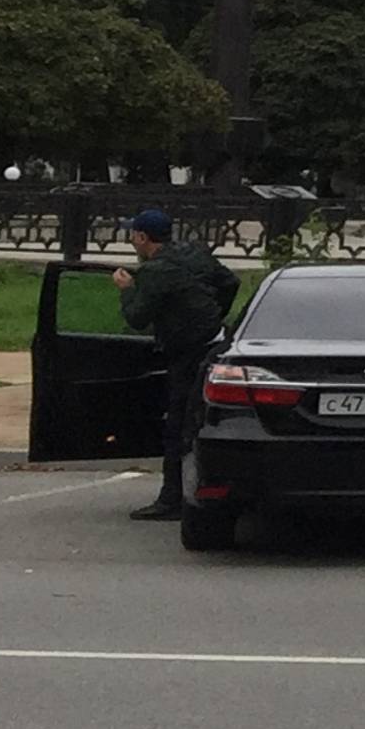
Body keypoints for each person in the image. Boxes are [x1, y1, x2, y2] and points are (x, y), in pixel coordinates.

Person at [112, 209, 239, 522]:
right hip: (217, 343)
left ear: (142, 237)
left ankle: (173, 499)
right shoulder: (195, 253)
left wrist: (127, 291)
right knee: (202, 420)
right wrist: (211, 314)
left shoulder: (156, 271)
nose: (131, 240)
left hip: (188, 353)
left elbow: (137, 318)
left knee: (178, 424)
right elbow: (230, 282)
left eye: (133, 234)